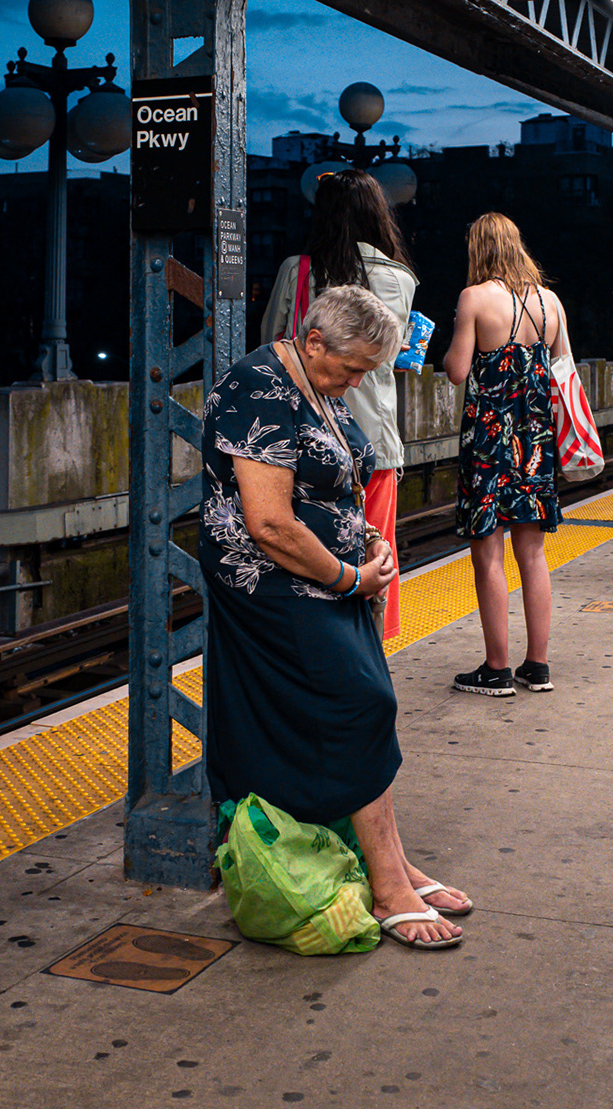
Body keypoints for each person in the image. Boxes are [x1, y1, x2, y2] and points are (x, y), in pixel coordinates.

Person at [201, 285, 467, 949]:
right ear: (314, 340)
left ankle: (394, 863)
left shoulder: (317, 384)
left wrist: (368, 539)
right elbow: (268, 522)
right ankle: (389, 886)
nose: (356, 382)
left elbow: (338, 480)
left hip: (330, 582)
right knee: (359, 705)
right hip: (274, 587)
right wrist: (350, 576)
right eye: (351, 368)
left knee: (368, 705)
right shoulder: (258, 388)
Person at [260, 169, 417, 642]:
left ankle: (320, 650)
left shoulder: (298, 271)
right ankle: (371, 656)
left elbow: (271, 342)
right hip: (374, 440)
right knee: (377, 553)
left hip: (301, 439)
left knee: (309, 551)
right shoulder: (400, 278)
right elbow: (394, 355)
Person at [444, 212, 570, 694]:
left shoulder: (474, 297)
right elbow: (563, 366)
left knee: (488, 555)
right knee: (533, 555)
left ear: (479, 248)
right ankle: (537, 665)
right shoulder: (550, 302)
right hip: (536, 440)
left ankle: (496, 668)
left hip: (490, 440)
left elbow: (458, 370)